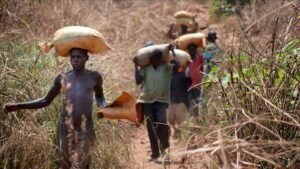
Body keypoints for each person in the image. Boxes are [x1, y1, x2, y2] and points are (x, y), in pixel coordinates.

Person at [4, 48, 106, 169]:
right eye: (72, 57)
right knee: (64, 165)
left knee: (83, 164)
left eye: (79, 57)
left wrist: (103, 108)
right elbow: (45, 100)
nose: (75, 60)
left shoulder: (94, 77)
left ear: (86, 58)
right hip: (65, 128)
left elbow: (100, 97)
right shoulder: (62, 78)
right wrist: (18, 105)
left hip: (85, 128)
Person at [133, 48, 178, 162]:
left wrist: (173, 52)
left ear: (161, 59)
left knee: (162, 124)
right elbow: (138, 81)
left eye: (159, 59)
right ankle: (155, 154)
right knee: (151, 128)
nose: (157, 61)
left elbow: (177, 65)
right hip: (147, 101)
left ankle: (164, 152)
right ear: (151, 59)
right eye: (155, 59)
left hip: (162, 101)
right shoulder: (146, 69)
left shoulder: (166, 68)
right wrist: (136, 67)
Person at [168, 60, 191, 139]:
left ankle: (182, 137)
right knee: (171, 121)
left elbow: (189, 80)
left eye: (174, 66)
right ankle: (177, 133)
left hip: (181, 103)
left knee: (181, 122)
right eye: (172, 66)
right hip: (171, 103)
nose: (173, 67)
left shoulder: (183, 75)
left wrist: (187, 67)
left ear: (178, 67)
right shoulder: (168, 78)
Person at [186, 44, 204, 117]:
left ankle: (198, 121)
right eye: (190, 50)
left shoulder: (200, 59)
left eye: (193, 49)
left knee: (198, 104)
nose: (191, 51)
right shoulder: (186, 61)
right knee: (191, 105)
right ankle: (193, 122)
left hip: (198, 86)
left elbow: (203, 68)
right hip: (189, 87)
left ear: (195, 50)